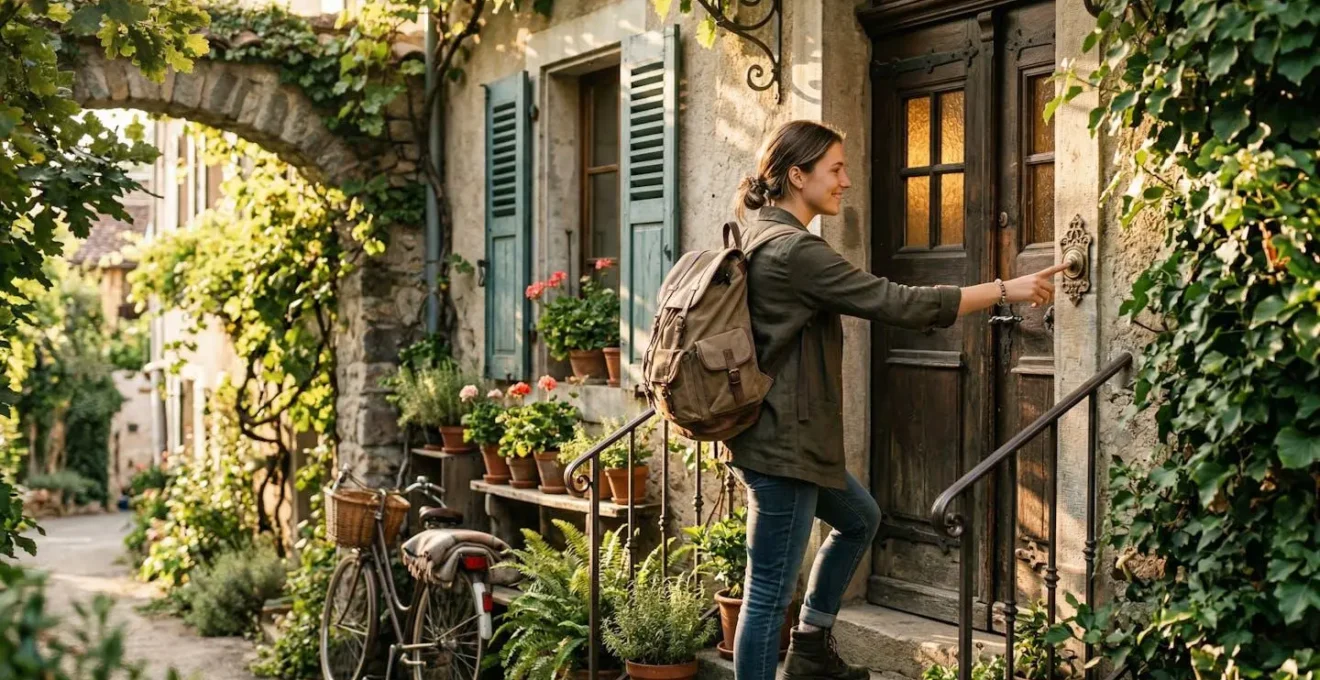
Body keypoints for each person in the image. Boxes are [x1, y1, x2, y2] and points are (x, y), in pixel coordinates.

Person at [725, 120, 1066, 680]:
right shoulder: (793, 251)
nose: (845, 181)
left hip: (788, 436)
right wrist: (1008, 289)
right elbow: (897, 301)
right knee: (766, 592)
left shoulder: (759, 234)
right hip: (782, 443)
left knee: (860, 518)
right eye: (834, 169)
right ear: (796, 175)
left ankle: (810, 649)